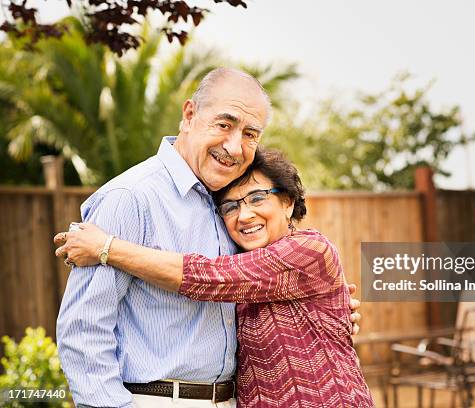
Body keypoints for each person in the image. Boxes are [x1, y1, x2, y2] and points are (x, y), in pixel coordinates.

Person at [55, 67, 360, 408]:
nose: (234, 146)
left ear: (288, 202)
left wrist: (326, 309)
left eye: (250, 133)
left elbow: (217, 279)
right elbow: (84, 329)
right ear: (189, 115)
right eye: (224, 124)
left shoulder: (229, 211)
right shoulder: (131, 196)